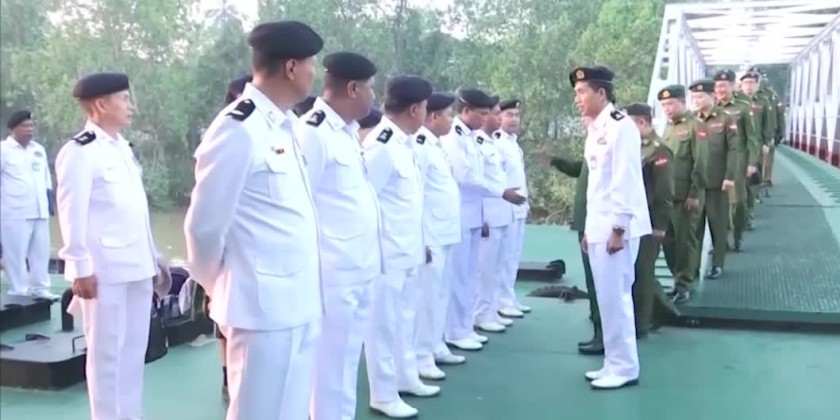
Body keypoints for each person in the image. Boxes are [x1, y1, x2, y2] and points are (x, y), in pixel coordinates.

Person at [183, 21, 324, 420]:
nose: (313, 72)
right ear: (291, 68)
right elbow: (203, 227)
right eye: (311, 64)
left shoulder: (284, 124)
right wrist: (222, 286)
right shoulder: (238, 128)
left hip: (298, 302)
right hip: (261, 309)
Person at [55, 72, 159, 419]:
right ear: (100, 104)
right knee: (106, 357)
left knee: (133, 352)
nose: (131, 106)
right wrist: (79, 267)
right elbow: (72, 212)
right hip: (105, 271)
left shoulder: (121, 147)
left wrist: (154, 258)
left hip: (137, 265)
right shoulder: (80, 152)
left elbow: (134, 210)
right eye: (124, 99)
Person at [296, 51, 382, 420]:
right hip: (333, 273)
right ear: (352, 88)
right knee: (330, 369)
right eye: (371, 88)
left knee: (346, 363)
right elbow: (301, 206)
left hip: (359, 267)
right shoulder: (312, 132)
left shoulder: (346, 132)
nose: (374, 96)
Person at [570, 65, 650, 390]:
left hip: (617, 228)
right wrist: (591, 229)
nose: (577, 99)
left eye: (582, 92)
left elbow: (624, 180)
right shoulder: (597, 128)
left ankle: (625, 367)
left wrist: (618, 228)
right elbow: (596, 188)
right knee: (606, 299)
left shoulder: (621, 127)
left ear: (601, 92)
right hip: (600, 226)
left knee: (617, 298)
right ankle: (612, 362)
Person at [361, 75, 437, 418]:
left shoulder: (404, 143)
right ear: (415, 109)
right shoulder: (382, 145)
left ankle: (405, 377)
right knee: (382, 325)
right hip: (386, 255)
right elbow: (367, 203)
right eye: (425, 107)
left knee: (405, 318)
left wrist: (421, 244)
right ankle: (383, 393)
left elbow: (410, 203)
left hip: (408, 250)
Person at [442, 88, 524, 351]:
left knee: (468, 276)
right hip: (461, 217)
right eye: (482, 113)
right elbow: (466, 177)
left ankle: (464, 327)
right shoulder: (454, 138)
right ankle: (456, 330)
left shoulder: (469, 137)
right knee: (462, 277)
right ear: (466, 111)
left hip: (474, 216)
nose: (487, 117)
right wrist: (501, 192)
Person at [203, 73, 252, 403]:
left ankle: (232, 375)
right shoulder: (227, 130)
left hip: (245, 245)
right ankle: (226, 375)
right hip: (224, 243)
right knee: (221, 317)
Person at [412, 91, 465, 381]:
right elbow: (417, 194)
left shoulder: (436, 144)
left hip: (445, 232)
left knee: (441, 294)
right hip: (431, 234)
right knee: (427, 299)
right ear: (433, 117)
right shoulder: (420, 145)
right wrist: (422, 238)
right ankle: (422, 356)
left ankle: (435, 345)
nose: (451, 120)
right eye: (447, 114)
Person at [621, 103, 679, 336]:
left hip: (648, 221)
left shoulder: (658, 151)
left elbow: (664, 193)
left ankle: (642, 323)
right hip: (633, 218)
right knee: (635, 271)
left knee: (644, 274)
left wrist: (659, 226)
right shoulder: (634, 147)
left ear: (642, 122)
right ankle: (654, 313)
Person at [657, 84, 708, 304]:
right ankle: (677, 280)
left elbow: (701, 162)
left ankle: (685, 284)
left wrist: (694, 193)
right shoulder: (668, 128)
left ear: (683, 102)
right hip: (669, 196)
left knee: (685, 242)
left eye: (671, 103)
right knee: (669, 242)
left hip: (686, 195)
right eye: (663, 105)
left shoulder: (696, 126)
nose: (667, 108)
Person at [1, 110, 57, 299]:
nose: (30, 129)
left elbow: (45, 178)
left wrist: (49, 203)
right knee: (15, 254)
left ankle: (40, 288)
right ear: (13, 128)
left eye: (32, 126)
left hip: (40, 210)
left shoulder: (38, 149)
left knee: (41, 252)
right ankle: (19, 290)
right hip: (14, 211)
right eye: (25, 126)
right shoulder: (3, 150)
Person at [689, 79, 738, 279]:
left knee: (718, 225)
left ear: (712, 96)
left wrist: (729, 177)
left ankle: (717, 264)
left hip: (717, 181)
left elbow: (733, 149)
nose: (697, 101)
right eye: (694, 97)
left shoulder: (725, 119)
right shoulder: (691, 120)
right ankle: (693, 267)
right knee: (694, 228)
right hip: (696, 184)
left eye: (700, 97)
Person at [713, 69, 759, 252]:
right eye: (717, 86)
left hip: (738, 161)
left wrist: (752, 163)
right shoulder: (712, 108)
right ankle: (721, 240)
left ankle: (738, 237)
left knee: (738, 202)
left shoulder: (743, 107)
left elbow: (752, 137)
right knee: (718, 203)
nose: (720, 90)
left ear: (733, 86)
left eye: (724, 86)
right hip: (716, 161)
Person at [493, 99, 532, 319]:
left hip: (518, 207)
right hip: (505, 208)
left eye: (517, 115)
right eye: (509, 115)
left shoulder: (513, 142)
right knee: (503, 258)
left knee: (513, 256)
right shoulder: (497, 142)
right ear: (499, 117)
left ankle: (508, 296)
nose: (514, 119)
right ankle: (500, 301)